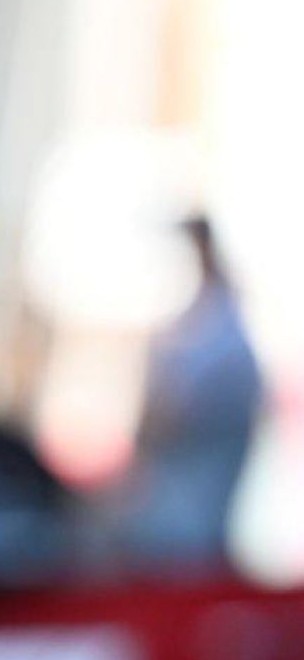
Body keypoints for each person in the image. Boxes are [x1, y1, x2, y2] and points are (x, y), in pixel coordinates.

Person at [125, 213, 265, 572]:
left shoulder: (222, 325)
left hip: (199, 484)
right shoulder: (196, 315)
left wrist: (167, 417)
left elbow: (191, 402)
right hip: (177, 482)